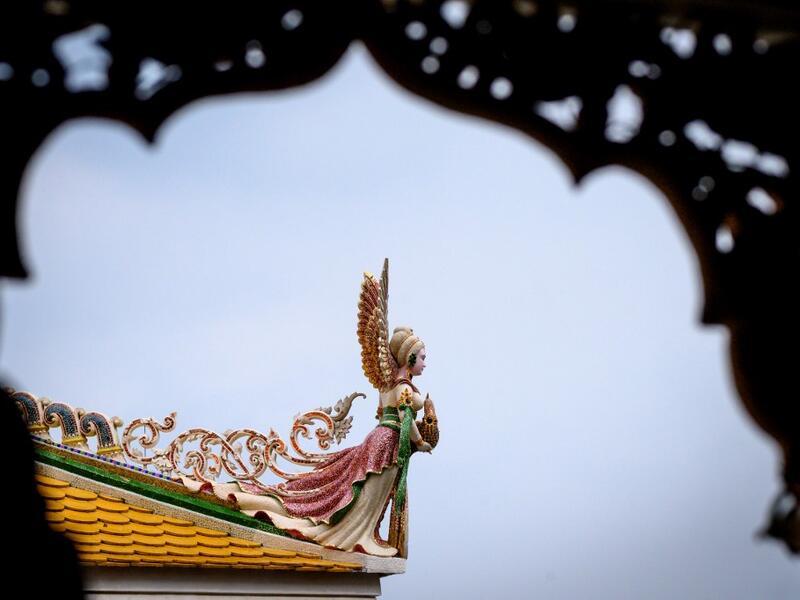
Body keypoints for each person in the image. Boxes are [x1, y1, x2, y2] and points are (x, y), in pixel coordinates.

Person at [185, 260, 435, 557]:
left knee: (355, 492)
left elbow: (382, 414)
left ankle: (358, 531)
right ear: (408, 359)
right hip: (387, 444)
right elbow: (404, 417)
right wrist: (420, 442)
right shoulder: (403, 388)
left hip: (379, 440)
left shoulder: (387, 385)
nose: (425, 363)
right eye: (422, 357)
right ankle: (356, 535)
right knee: (366, 497)